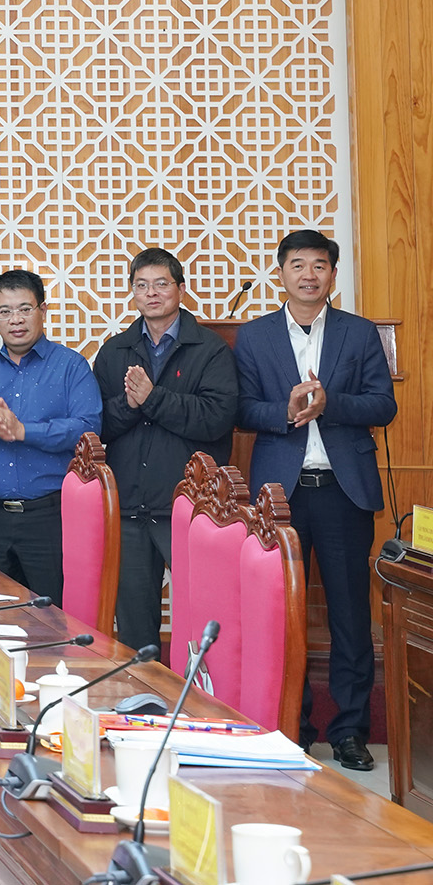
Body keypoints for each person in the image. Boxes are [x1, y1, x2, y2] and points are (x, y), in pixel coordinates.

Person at [234, 230, 397, 771]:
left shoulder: (358, 332)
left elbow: (384, 405)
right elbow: (241, 409)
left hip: (343, 492)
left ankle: (349, 732)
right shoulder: (255, 336)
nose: (309, 275)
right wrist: (284, 411)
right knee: (282, 615)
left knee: (350, 614)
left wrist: (331, 403)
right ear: (281, 273)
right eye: (298, 264)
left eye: (319, 265)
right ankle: (292, 726)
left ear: (332, 274)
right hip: (280, 495)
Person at [93, 247, 237, 653]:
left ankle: (197, 692)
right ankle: (142, 692)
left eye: (161, 284)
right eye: (142, 285)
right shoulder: (115, 351)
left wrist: (153, 399)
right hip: (128, 508)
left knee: (201, 618)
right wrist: (131, 404)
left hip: (190, 508)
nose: (151, 293)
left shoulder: (210, 349)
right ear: (132, 293)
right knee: (135, 629)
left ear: (181, 289)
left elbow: (217, 418)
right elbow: (98, 424)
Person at [0, 270, 101, 604]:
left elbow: (88, 429)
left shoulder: (71, 366)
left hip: (50, 517)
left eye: (25, 309)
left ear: (43, 310)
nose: (15, 320)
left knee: (53, 616)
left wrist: (23, 431)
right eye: (5, 311)